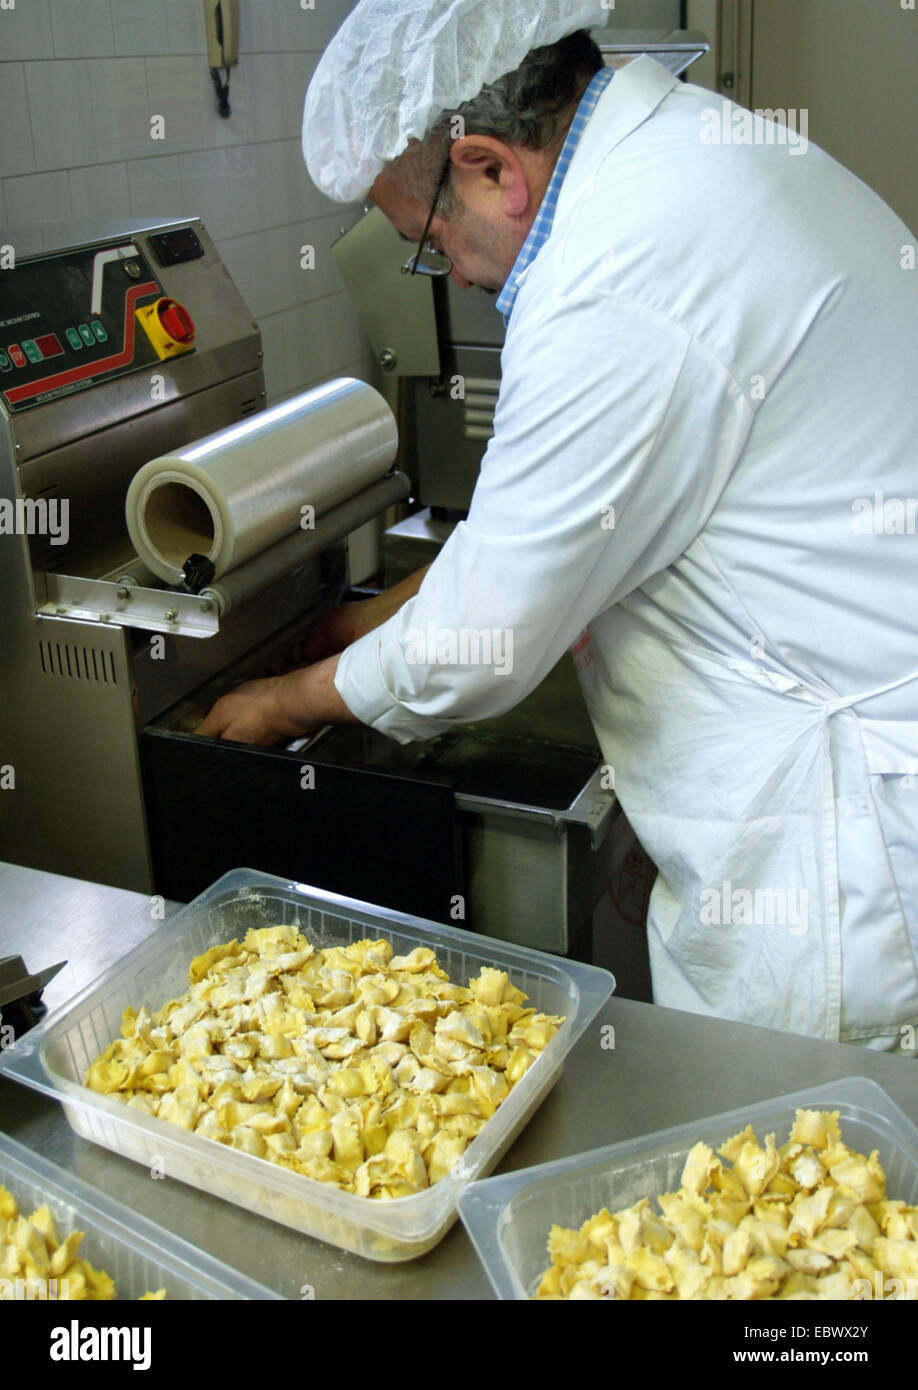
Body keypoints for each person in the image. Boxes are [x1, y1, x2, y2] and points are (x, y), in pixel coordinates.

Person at [198, 0, 918, 1050]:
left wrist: (280, 703)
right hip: (852, 756)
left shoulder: (611, 277)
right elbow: (531, 533)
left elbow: (474, 646)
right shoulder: (686, 161)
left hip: (845, 850)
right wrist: (355, 626)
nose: (453, 269)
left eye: (430, 235)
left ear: (490, 167)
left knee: (797, 1184)